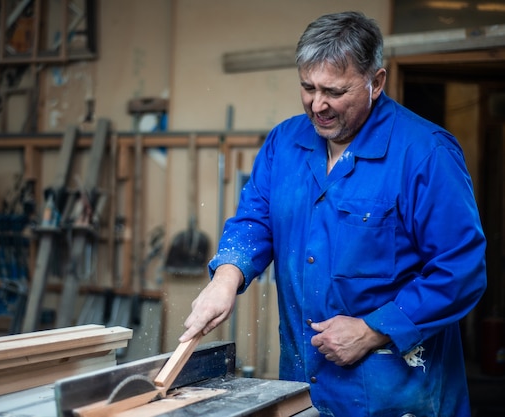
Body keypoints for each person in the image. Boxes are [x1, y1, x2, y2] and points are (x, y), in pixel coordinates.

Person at [179, 10, 487, 417]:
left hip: (397, 393)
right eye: (308, 87)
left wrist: (373, 330)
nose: (318, 104)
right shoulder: (284, 143)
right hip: (304, 385)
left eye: (334, 91)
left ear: (376, 82)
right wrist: (226, 277)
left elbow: (461, 269)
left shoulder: (425, 154)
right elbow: (255, 220)